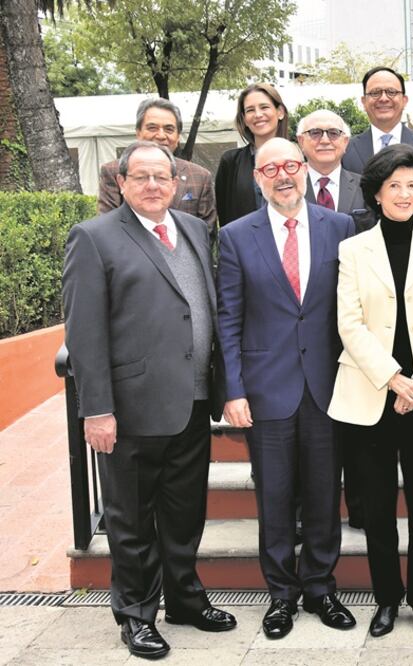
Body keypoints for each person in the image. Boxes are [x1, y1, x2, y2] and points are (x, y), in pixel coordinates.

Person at [63, 141, 236, 660]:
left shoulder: (192, 229)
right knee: (132, 520)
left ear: (176, 181)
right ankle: (136, 614)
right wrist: (96, 409)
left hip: (191, 401)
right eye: (142, 177)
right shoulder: (93, 238)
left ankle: (184, 599)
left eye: (163, 176)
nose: (155, 185)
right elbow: (84, 333)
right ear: (121, 183)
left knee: (185, 514)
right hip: (132, 410)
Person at [217, 138, 357, 639]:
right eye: (270, 167)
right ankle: (281, 595)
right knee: (274, 499)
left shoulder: (340, 227)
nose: (283, 175)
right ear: (257, 178)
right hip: (265, 390)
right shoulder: (235, 236)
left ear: (305, 169)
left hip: (326, 388)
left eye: (291, 165)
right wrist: (233, 391)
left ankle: (320, 588)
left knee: (324, 495)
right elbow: (228, 318)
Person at [327, 144, 413, 638]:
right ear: (377, 194)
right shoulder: (352, 249)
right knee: (377, 511)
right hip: (371, 395)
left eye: (412, 186)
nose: (404, 194)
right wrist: (393, 378)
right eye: (394, 186)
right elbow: (349, 323)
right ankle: (387, 599)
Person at [97, 98, 217, 231]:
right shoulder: (114, 171)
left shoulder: (200, 176)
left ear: (178, 137)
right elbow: (108, 229)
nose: (161, 135)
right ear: (138, 132)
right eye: (152, 128)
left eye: (169, 129)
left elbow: (206, 234)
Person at [342, 66, 413, 174]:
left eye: (391, 92)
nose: (383, 99)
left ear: (404, 100)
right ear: (364, 102)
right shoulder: (345, 150)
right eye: (375, 93)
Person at [215, 83, 290, 226]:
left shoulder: (301, 158)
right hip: (245, 245)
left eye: (264, 107)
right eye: (250, 110)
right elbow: (225, 216)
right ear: (244, 119)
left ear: (280, 112)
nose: (258, 115)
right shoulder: (230, 162)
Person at [296, 109, 368, 234]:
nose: (324, 140)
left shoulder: (365, 186)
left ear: (345, 142)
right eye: (315, 133)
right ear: (301, 141)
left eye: (333, 133)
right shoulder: (289, 187)